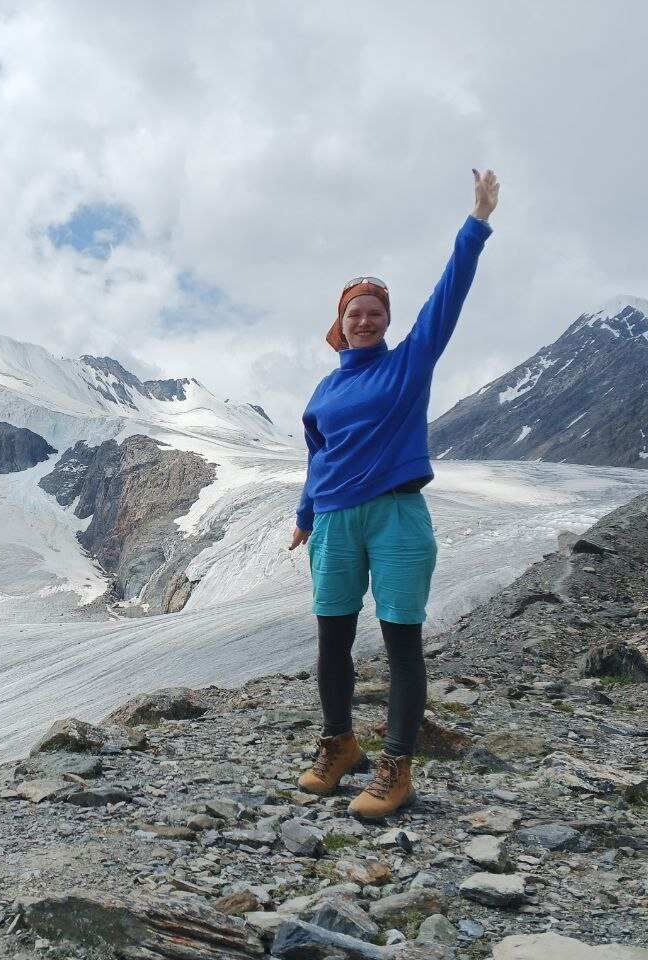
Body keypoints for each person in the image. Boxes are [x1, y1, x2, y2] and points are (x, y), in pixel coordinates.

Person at [286, 169, 500, 820]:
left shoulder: (409, 362)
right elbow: (319, 457)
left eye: (376, 313)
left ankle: (396, 767)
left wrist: (477, 222)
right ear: (340, 322)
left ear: (386, 323)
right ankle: (340, 745)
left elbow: (448, 297)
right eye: (356, 312)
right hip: (335, 521)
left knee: (401, 642)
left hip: (398, 514)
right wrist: (304, 516)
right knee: (333, 640)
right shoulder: (323, 393)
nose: (366, 319)